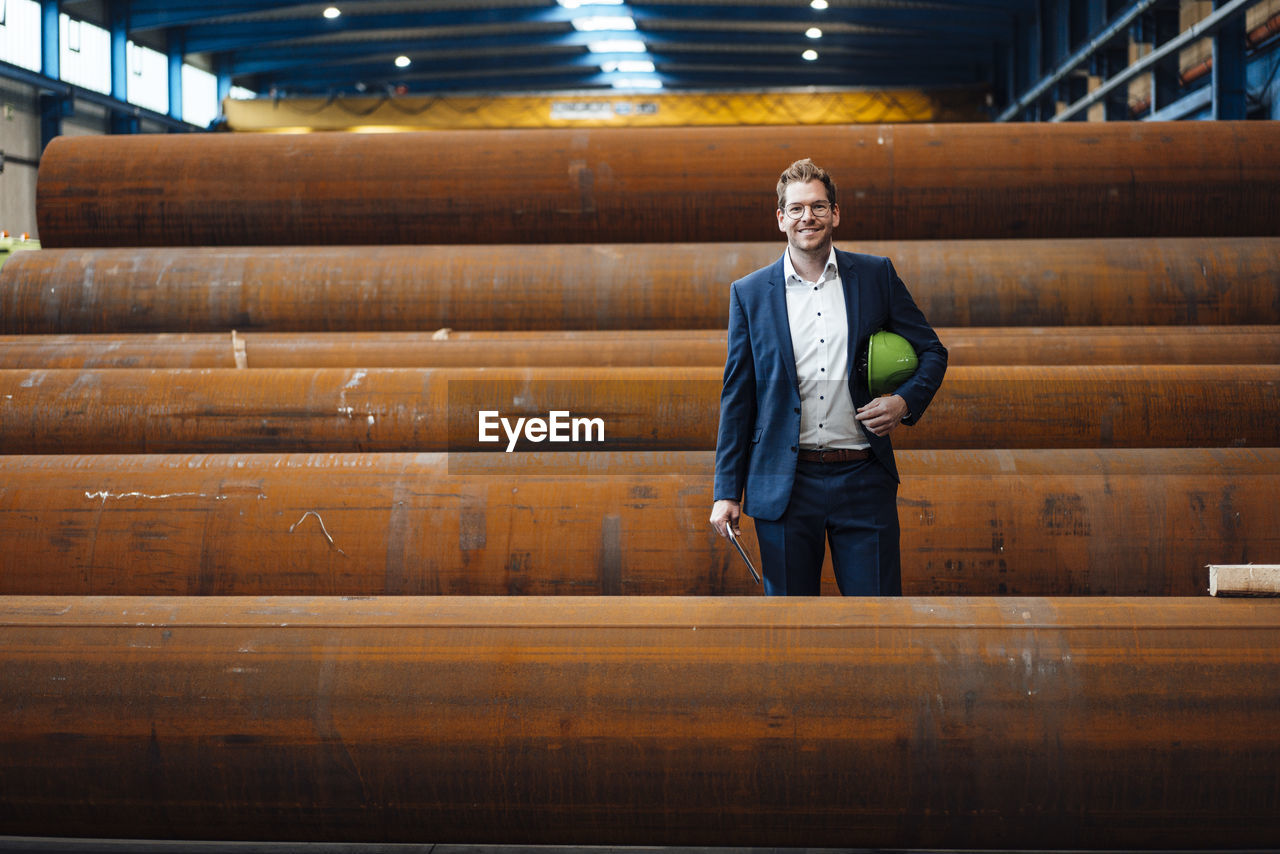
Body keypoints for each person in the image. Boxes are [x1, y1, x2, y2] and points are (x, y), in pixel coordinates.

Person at [709, 158, 947, 596]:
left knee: (877, 620)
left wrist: (904, 402)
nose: (808, 218)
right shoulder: (749, 294)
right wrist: (727, 491)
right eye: (796, 209)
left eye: (818, 207)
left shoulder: (875, 276)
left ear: (835, 213)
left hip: (862, 477)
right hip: (784, 484)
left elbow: (933, 351)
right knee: (790, 625)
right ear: (780, 218)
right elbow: (737, 396)